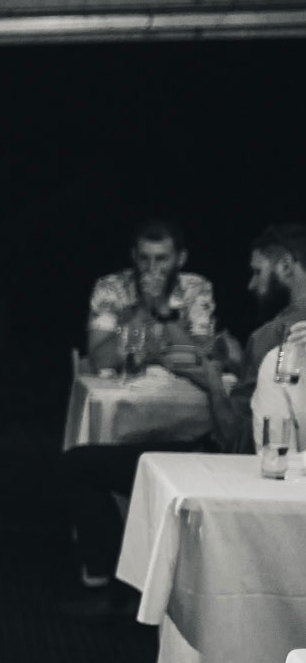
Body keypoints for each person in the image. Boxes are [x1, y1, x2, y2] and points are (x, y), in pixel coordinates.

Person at [61, 224, 306, 609]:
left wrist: (210, 378)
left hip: (242, 466)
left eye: (258, 272)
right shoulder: (113, 287)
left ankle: (117, 588)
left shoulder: (269, 335)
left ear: (288, 267)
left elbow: (236, 439)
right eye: (144, 258)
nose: (250, 285)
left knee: (81, 465)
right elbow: (106, 358)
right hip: (268, 466)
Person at [84, 219, 216, 373]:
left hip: (181, 388)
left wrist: (162, 309)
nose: (152, 268)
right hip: (124, 387)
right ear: (134, 256)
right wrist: (143, 309)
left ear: (180, 259)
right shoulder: (110, 287)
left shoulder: (197, 288)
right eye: (144, 258)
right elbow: (101, 361)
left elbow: (201, 360)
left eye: (161, 259)